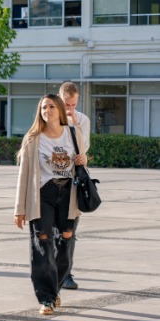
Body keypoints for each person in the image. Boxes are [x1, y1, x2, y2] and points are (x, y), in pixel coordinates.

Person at [14, 94, 87, 315]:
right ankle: (47, 298)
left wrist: (83, 161)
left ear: (60, 110)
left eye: (52, 106)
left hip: (68, 193)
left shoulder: (73, 133)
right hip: (42, 194)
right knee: (42, 240)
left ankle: (54, 289)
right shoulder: (33, 138)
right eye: (44, 107)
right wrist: (19, 209)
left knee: (66, 240)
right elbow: (24, 174)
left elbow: (82, 165)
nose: (47, 110)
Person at [58, 82, 91, 291]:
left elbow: (83, 148)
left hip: (74, 181)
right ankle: (54, 272)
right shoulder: (50, 117)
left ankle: (66, 274)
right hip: (52, 180)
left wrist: (75, 125)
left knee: (70, 229)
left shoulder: (82, 120)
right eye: (66, 104)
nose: (69, 109)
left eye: (73, 105)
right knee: (51, 230)